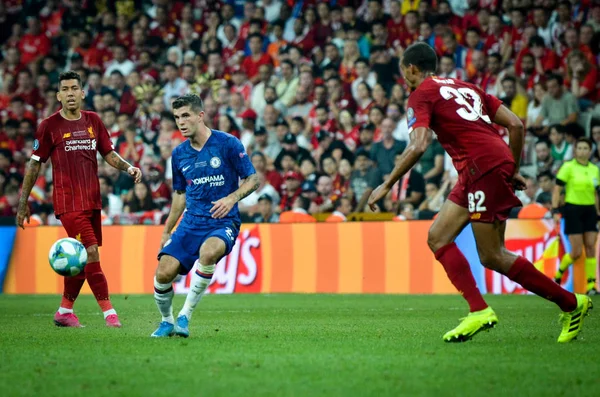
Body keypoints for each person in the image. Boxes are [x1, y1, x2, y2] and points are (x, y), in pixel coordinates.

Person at [368, 43, 591, 343]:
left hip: (480, 168)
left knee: (492, 255)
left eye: (403, 71)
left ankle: (571, 303)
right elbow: (515, 124)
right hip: (479, 169)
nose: (404, 77)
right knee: (438, 236)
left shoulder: (420, 94)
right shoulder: (467, 86)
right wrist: (510, 167)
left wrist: (387, 184)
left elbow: (419, 144)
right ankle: (479, 309)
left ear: (410, 68)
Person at [16, 71, 142, 328]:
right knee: (91, 252)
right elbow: (34, 164)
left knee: (83, 259)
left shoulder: (93, 121)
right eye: (66, 89)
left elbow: (108, 153)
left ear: (83, 93)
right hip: (68, 203)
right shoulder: (49, 126)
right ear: (59, 95)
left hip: (92, 201)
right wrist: (23, 201)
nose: (71, 93)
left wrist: (128, 168)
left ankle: (64, 311)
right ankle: (110, 314)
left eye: (75, 88)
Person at [152, 94, 259, 338]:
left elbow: (253, 179)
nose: (180, 122)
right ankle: (166, 321)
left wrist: (231, 198)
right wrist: (168, 230)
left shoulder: (228, 143)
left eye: (186, 115)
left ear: (200, 116)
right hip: (191, 223)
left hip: (223, 222)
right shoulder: (179, 154)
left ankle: (184, 316)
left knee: (208, 253)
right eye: (177, 117)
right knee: (163, 273)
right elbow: (180, 196)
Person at [553, 137, 599, 295]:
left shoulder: (594, 169)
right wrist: (555, 210)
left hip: (590, 210)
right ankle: (558, 273)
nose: (582, 151)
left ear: (590, 150)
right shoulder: (568, 167)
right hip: (573, 210)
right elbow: (557, 189)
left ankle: (591, 285)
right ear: (575, 150)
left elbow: (596, 193)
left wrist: (598, 213)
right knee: (577, 251)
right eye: (579, 148)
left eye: (586, 148)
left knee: (591, 247)